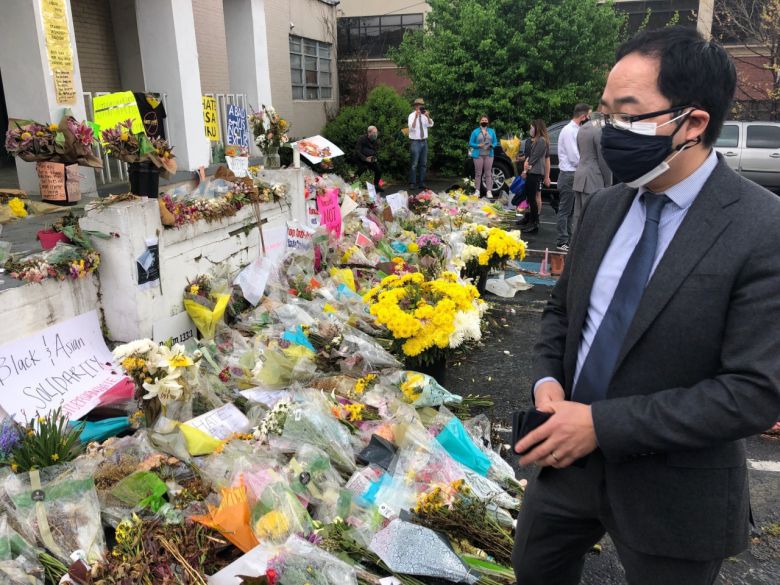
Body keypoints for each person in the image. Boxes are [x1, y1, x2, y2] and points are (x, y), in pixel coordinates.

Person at [512, 26, 780, 585]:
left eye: (628, 115)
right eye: (606, 113)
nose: (609, 131)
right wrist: (546, 381)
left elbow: (753, 392)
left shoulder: (761, 227)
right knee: (534, 570)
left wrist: (602, 425)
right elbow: (563, 314)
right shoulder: (606, 207)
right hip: (565, 464)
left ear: (694, 122)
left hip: (675, 488)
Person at [555, 103, 592, 252]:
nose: (589, 119)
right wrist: (586, 163)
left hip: (572, 174)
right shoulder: (569, 131)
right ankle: (562, 240)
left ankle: (568, 239)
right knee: (565, 210)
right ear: (583, 116)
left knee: (570, 210)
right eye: (588, 116)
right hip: (569, 174)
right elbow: (573, 156)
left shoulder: (575, 130)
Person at [571, 119, 612, 240]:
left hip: (580, 174)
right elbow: (603, 159)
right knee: (593, 216)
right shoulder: (599, 129)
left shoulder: (582, 128)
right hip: (593, 177)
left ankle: (575, 243)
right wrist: (608, 183)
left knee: (578, 216)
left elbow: (581, 152)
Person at [517, 119, 549, 234]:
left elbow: (534, 158)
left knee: (532, 198)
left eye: (532, 127)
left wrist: (525, 170)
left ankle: (534, 222)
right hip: (532, 172)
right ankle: (530, 219)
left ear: (537, 128)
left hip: (535, 172)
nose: (530, 130)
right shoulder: (537, 140)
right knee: (530, 198)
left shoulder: (541, 141)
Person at [469, 115, 498, 198]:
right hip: (478, 155)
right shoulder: (475, 131)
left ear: (488, 122)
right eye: (482, 120)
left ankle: (489, 191)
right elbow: (470, 143)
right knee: (478, 173)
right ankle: (477, 191)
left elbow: (495, 142)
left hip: (489, 155)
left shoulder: (491, 131)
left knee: (488, 173)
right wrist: (478, 145)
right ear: (480, 121)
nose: (484, 121)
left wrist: (492, 145)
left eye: (485, 120)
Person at [408, 98, 433, 191]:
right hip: (415, 142)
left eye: (421, 105)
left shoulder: (424, 115)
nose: (420, 107)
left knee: (423, 163)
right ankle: (412, 183)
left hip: (424, 141)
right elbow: (411, 128)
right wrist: (416, 117)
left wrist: (428, 116)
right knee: (414, 164)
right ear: (415, 106)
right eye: (418, 105)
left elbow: (430, 124)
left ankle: (421, 183)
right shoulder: (411, 116)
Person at [355, 125, 383, 192]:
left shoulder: (377, 141)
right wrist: (365, 158)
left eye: (376, 132)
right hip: (361, 158)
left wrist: (374, 158)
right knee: (362, 168)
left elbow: (376, 152)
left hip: (370, 159)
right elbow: (357, 151)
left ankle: (376, 186)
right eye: (374, 132)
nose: (375, 134)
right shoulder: (362, 138)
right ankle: (353, 182)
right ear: (369, 132)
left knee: (378, 171)